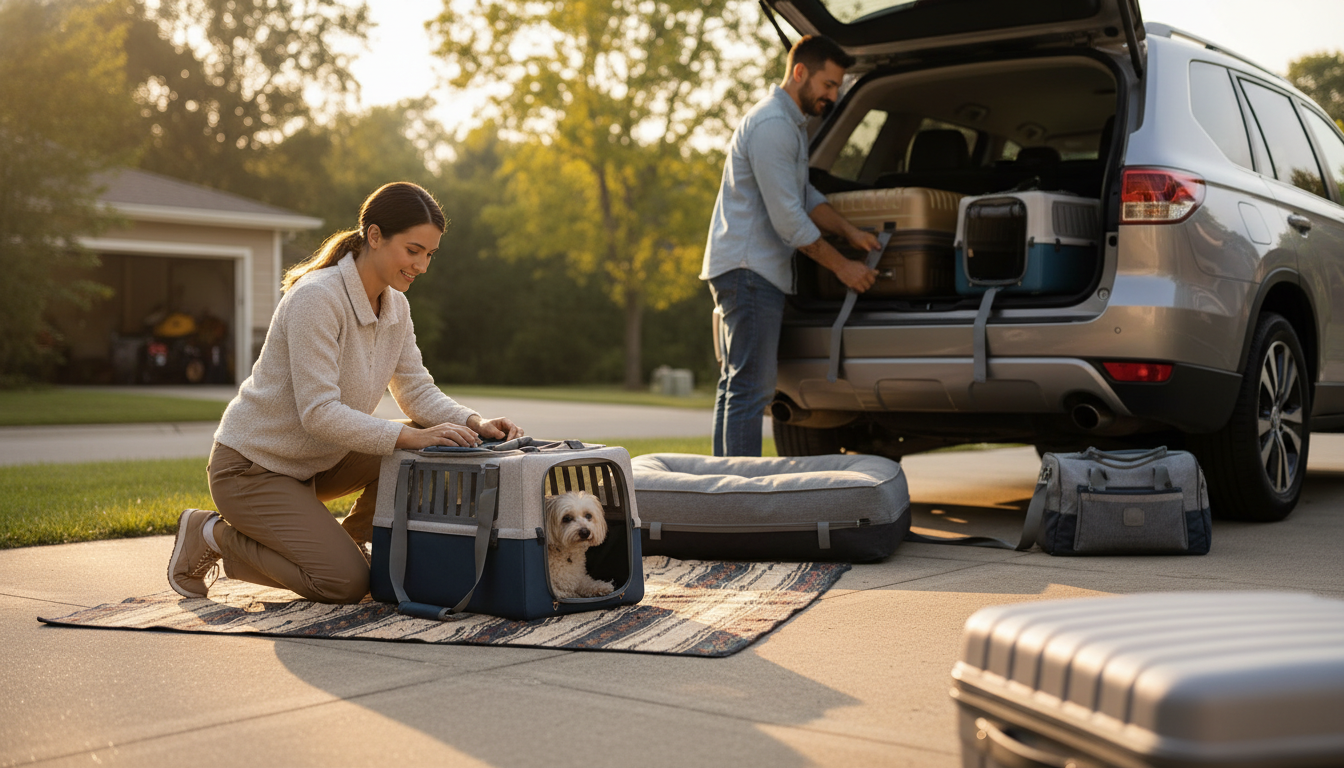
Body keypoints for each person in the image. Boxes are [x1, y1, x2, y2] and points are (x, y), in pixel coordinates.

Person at [167, 181, 524, 604]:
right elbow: (318, 413)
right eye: (413, 251)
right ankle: (210, 533)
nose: (423, 265)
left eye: (430, 254)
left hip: (314, 465)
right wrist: (408, 436)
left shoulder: (395, 305)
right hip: (251, 469)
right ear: (374, 236)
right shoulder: (317, 298)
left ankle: (355, 542)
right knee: (344, 583)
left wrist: (473, 422)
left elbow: (416, 389)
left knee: (435, 442)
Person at [700, 35, 881, 457]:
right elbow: (790, 221)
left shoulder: (789, 123)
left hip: (745, 267)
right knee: (752, 388)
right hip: (750, 270)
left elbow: (807, 197)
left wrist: (851, 233)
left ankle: (721, 490)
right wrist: (844, 267)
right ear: (800, 72)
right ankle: (738, 497)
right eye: (829, 84)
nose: (833, 95)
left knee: (736, 384)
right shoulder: (773, 125)